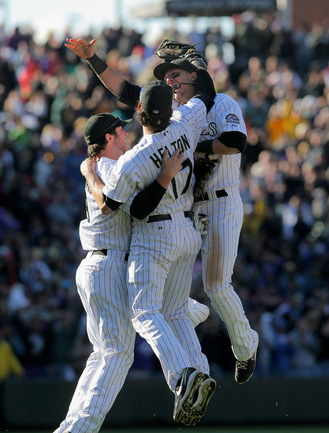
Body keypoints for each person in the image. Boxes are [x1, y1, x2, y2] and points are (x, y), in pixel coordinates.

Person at [64, 37, 258, 384]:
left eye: (176, 74)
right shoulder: (178, 117)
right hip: (188, 210)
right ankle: (194, 356)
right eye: (166, 78)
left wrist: (187, 147)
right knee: (172, 298)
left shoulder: (206, 108)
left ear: (194, 77)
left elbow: (236, 141)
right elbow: (124, 89)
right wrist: (93, 59)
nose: (170, 81)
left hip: (221, 202)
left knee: (214, 286)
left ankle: (244, 348)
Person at [50, 111, 214, 433]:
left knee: (108, 351)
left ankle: (75, 427)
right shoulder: (106, 166)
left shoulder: (107, 163)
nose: (125, 132)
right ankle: (81, 430)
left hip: (104, 265)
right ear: (108, 138)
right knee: (118, 352)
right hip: (108, 264)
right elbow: (110, 199)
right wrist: (92, 173)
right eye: (119, 129)